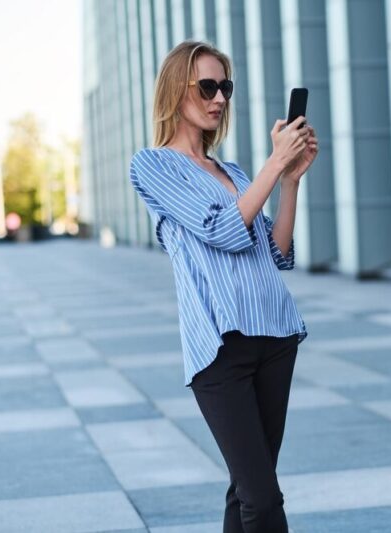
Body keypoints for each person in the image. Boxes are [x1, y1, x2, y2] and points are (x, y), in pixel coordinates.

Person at [129, 40, 318, 533]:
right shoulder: (152, 166)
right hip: (220, 349)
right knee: (263, 499)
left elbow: (276, 252)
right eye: (207, 86)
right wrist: (273, 166)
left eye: (225, 87)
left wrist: (291, 179)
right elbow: (221, 230)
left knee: (247, 490)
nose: (219, 99)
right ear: (176, 90)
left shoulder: (231, 171)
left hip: (275, 336)